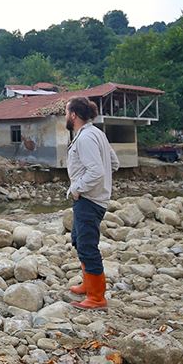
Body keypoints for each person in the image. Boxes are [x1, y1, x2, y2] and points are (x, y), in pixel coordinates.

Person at [65, 97, 120, 310]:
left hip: (88, 199)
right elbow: (113, 163)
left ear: (73, 115)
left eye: (66, 112)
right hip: (93, 198)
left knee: (88, 246)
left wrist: (77, 188)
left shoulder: (86, 138)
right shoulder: (97, 133)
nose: (65, 116)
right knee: (79, 240)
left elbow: (96, 170)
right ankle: (88, 285)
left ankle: (97, 298)